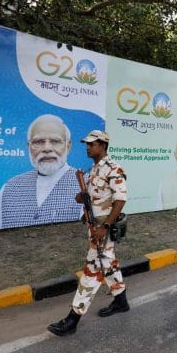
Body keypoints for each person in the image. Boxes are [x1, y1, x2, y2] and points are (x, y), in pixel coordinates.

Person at [47, 130, 129, 336]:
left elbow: (120, 201)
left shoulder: (113, 169)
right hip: (94, 227)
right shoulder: (93, 170)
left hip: (104, 229)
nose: (87, 147)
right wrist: (82, 198)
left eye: (91, 144)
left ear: (102, 145)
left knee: (93, 270)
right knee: (108, 262)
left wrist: (105, 227)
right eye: (87, 144)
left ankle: (72, 319)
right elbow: (95, 197)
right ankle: (121, 301)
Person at [0, 114, 82, 230]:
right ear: (29, 147)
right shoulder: (9, 188)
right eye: (39, 142)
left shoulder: (87, 185)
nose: (47, 148)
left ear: (68, 146)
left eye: (55, 141)